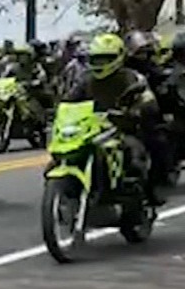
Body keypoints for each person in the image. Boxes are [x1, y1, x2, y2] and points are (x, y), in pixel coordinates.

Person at [62, 33, 163, 206]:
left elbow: (148, 100)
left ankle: (145, 196)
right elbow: (68, 101)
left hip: (121, 129)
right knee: (60, 157)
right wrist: (60, 111)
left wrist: (137, 110)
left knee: (136, 157)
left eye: (105, 59)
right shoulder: (85, 79)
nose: (100, 64)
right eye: (96, 59)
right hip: (89, 130)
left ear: (119, 57)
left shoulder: (132, 77)